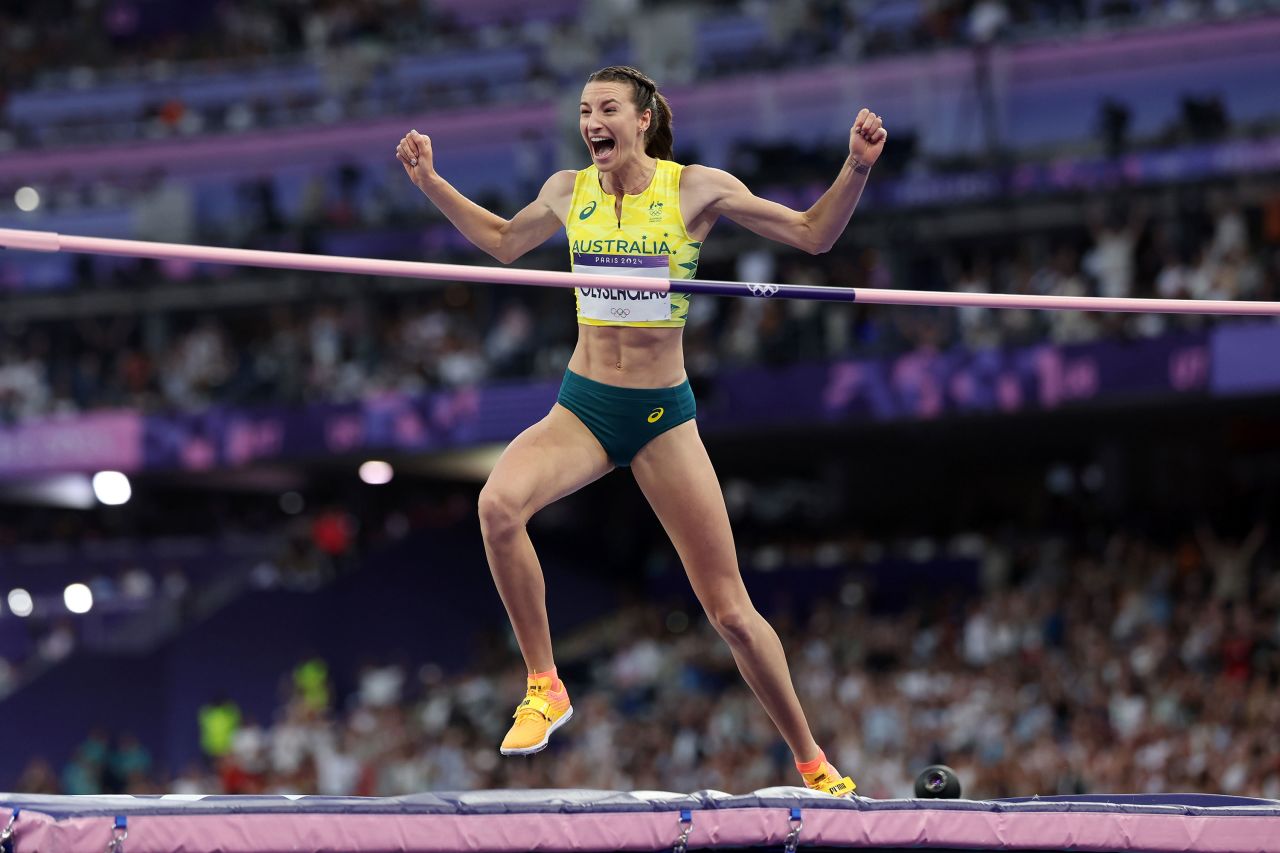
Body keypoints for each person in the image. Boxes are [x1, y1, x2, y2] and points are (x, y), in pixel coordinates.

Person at [396, 65, 885, 795]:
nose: (593, 121)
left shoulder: (696, 189)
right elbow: (501, 241)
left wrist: (854, 167)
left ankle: (813, 762)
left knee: (730, 612)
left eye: (608, 109)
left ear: (644, 119)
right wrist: (431, 181)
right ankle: (544, 684)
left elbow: (814, 235)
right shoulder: (569, 190)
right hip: (584, 408)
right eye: (585, 110)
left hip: (661, 419)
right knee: (497, 506)